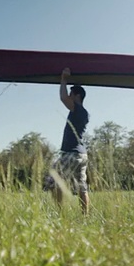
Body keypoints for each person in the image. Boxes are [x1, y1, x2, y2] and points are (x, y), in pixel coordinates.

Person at [44, 68, 90, 215]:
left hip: (71, 154)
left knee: (53, 181)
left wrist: (63, 79)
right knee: (82, 187)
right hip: (82, 156)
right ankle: (85, 216)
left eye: (71, 94)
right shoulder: (84, 113)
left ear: (77, 96)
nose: (69, 96)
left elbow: (63, 98)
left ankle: (60, 214)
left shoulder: (76, 109)